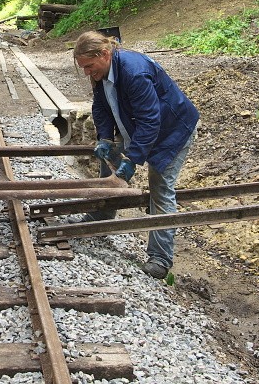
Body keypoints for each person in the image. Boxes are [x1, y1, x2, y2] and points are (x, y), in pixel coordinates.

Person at [69, 31, 199, 280]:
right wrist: (106, 137)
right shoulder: (103, 71)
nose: (86, 72)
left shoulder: (133, 72)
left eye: (89, 66)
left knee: (160, 187)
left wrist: (133, 160)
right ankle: (101, 218)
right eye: (83, 67)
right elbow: (101, 105)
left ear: (104, 54)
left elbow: (151, 121)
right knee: (109, 163)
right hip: (141, 127)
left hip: (172, 131)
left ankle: (160, 259)